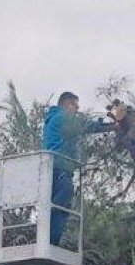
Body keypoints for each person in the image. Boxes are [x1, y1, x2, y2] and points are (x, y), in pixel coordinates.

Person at [41, 90, 116, 246]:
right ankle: (50, 241)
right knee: (63, 199)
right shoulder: (63, 117)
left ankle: (47, 236)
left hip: (51, 169)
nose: (78, 108)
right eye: (76, 105)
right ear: (68, 104)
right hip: (60, 168)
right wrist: (112, 126)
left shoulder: (53, 119)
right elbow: (85, 125)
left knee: (59, 204)